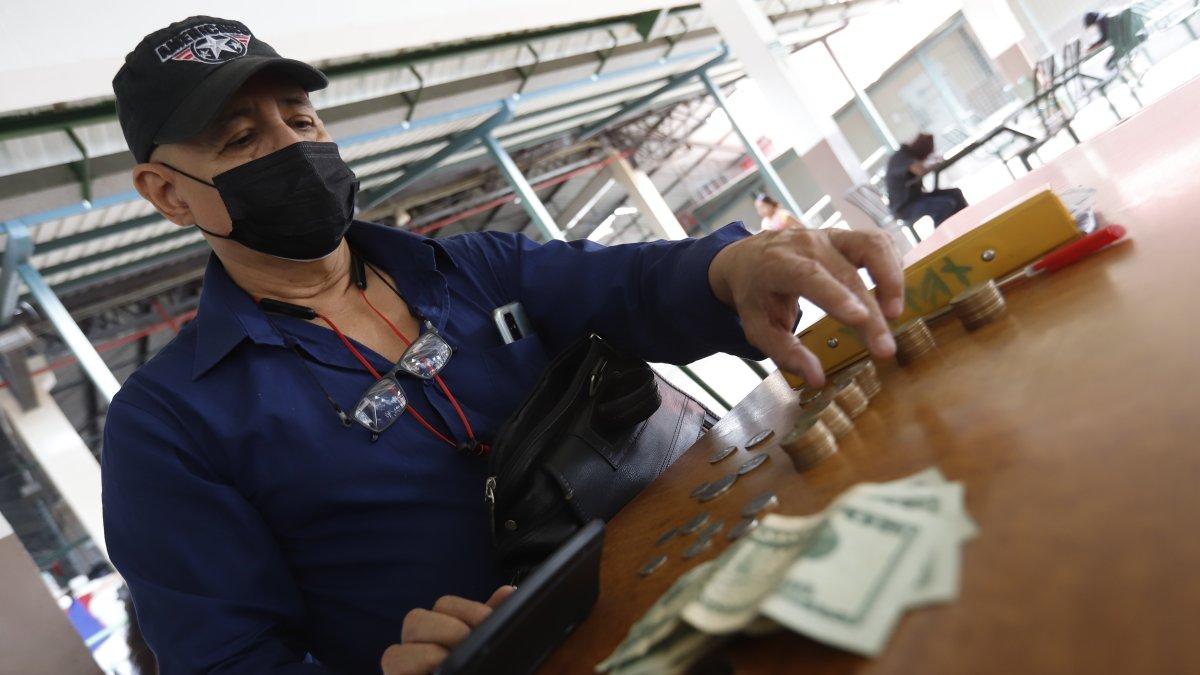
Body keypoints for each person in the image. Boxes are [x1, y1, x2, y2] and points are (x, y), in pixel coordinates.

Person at [102, 16, 904, 675]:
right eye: (241, 138)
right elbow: (226, 659)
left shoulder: (471, 267)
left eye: (301, 119)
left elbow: (632, 285)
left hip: (703, 591)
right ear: (168, 193)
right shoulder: (169, 423)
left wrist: (736, 266)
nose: (291, 147)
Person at [885, 132, 968, 228]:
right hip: (904, 207)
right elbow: (919, 170)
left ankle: (966, 225)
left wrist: (932, 163)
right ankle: (945, 238)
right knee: (944, 205)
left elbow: (920, 169)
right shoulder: (900, 156)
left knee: (956, 193)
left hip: (917, 197)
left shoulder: (908, 155)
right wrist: (931, 163)